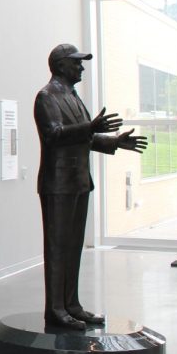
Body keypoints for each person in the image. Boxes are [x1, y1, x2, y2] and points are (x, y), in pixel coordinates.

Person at [34, 44, 147, 330]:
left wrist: (114, 142)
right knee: (57, 248)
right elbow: (54, 135)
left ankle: (72, 305)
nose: (81, 67)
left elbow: (83, 138)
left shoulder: (72, 96)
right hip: (58, 184)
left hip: (78, 182)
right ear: (60, 65)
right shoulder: (46, 97)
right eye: (76, 63)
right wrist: (91, 127)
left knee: (73, 247)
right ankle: (55, 310)